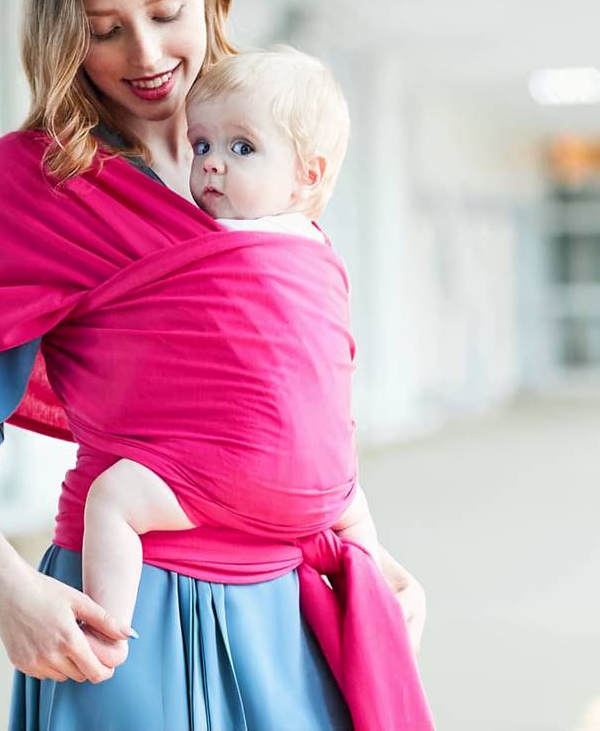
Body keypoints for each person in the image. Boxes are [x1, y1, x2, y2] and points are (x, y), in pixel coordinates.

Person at [0, 0, 430, 731]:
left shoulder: (273, 154)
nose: (145, 57)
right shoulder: (29, 183)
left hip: (289, 603)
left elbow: (291, 393)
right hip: (129, 604)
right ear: (61, 31)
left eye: (166, 14)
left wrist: (374, 552)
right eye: (105, 29)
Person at [80, 46, 386, 670]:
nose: (213, 165)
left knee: (111, 500)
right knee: (359, 526)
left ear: (308, 173)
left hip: (240, 473)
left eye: (241, 148)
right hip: (330, 489)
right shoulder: (324, 259)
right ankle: (377, 601)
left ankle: (106, 634)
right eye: (201, 146)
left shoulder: (216, 246)